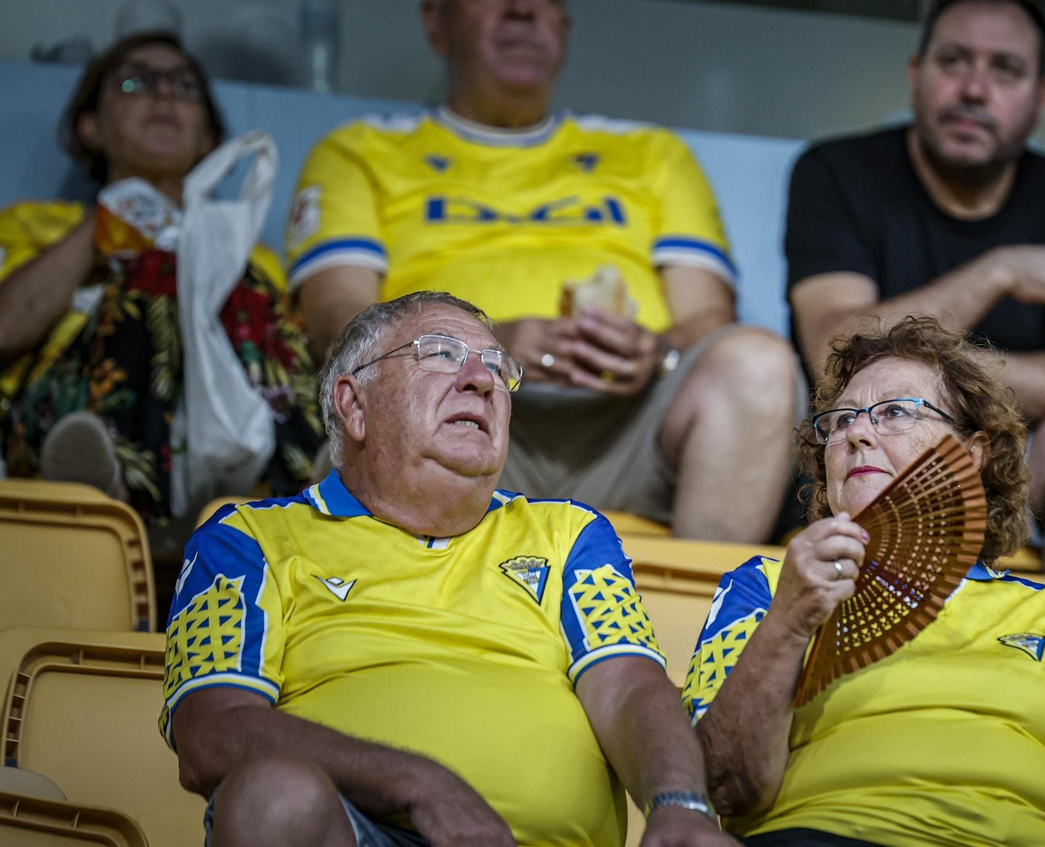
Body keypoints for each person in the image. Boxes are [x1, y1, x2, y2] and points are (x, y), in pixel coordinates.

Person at [162, 290, 733, 847]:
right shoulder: (249, 539)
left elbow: (629, 687)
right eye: (439, 353)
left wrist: (680, 806)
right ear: (354, 404)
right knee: (272, 796)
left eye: (497, 367)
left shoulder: (569, 532)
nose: (481, 380)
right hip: (362, 831)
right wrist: (417, 784)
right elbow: (211, 733)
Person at [286, 0, 798, 542]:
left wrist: (654, 349)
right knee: (387, 376)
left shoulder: (650, 153)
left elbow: (708, 317)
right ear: (437, 20)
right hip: (451, 413)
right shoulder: (359, 151)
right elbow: (338, 324)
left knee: (758, 363)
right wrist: (486, 346)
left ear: (564, 26)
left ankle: (708, 627)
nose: (522, 9)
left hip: (625, 432)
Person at [682, 316, 1045, 847]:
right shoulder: (767, 587)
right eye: (842, 419)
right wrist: (788, 623)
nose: (857, 432)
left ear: (972, 455)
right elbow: (725, 786)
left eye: (895, 412)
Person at [783, 0, 1045, 579]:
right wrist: (1000, 271)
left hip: (1011, 454)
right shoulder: (837, 172)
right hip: (863, 435)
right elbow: (831, 353)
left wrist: (922, 387)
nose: (974, 89)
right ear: (916, 74)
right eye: (954, 62)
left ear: (1042, 97)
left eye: (1006, 70)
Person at [0, 32, 322, 529]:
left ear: (207, 139)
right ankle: (106, 476)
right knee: (155, 269)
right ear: (91, 126)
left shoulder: (251, 255)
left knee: (240, 279)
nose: (164, 96)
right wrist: (114, 221)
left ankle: (304, 474)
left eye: (184, 87)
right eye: (136, 82)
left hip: (239, 438)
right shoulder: (37, 225)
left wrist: (191, 238)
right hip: (65, 414)